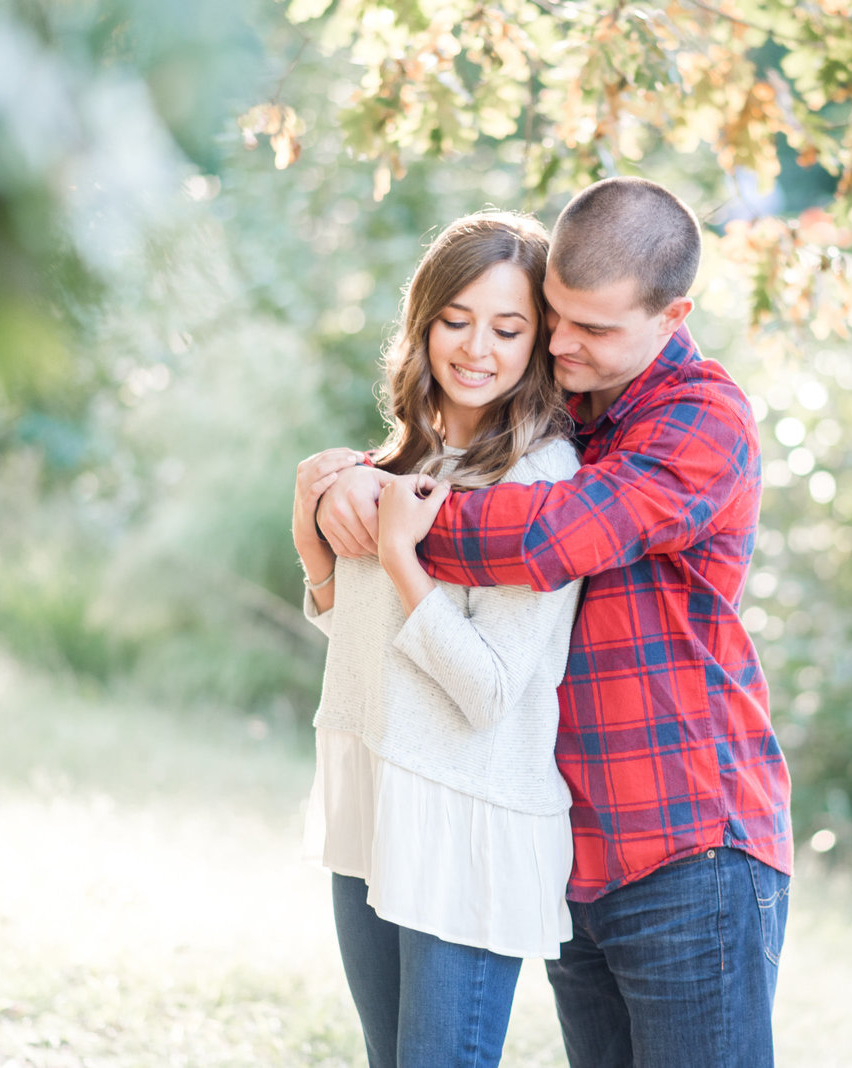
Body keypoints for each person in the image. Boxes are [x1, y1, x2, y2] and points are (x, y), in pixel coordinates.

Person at [317, 176, 794, 1066]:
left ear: (671, 314)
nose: (562, 345)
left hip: (691, 849)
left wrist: (388, 510)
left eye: (595, 329)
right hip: (579, 852)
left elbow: (548, 537)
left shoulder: (700, 420)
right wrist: (351, 474)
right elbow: (453, 442)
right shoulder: (568, 400)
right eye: (555, 317)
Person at [289, 211, 582, 1068]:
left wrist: (399, 558)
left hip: (467, 815)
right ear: (423, 321)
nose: (476, 348)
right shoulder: (403, 460)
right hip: (376, 794)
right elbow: (364, 641)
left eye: (507, 326)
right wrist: (314, 538)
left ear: (538, 340)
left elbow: (488, 692)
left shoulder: (541, 476)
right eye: (456, 319)